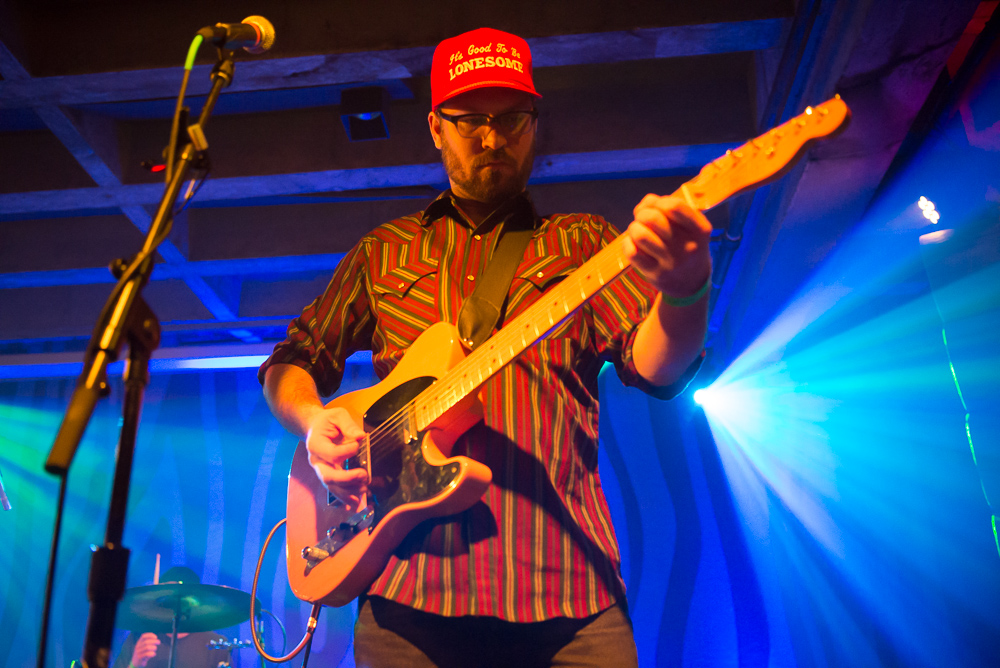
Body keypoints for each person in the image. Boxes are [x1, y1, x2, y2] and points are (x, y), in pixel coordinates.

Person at [260, 27, 712, 667]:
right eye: (469, 119)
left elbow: (656, 368)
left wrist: (687, 289)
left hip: (569, 592)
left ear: (535, 124)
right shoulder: (384, 252)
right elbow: (293, 360)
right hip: (407, 596)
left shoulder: (584, 244)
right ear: (436, 127)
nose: (493, 137)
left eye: (512, 119)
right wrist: (314, 421)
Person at [112, 567, 230, 668]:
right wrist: (135, 664)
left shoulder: (215, 644)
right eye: (168, 600)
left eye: (180, 601)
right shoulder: (139, 638)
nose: (174, 605)